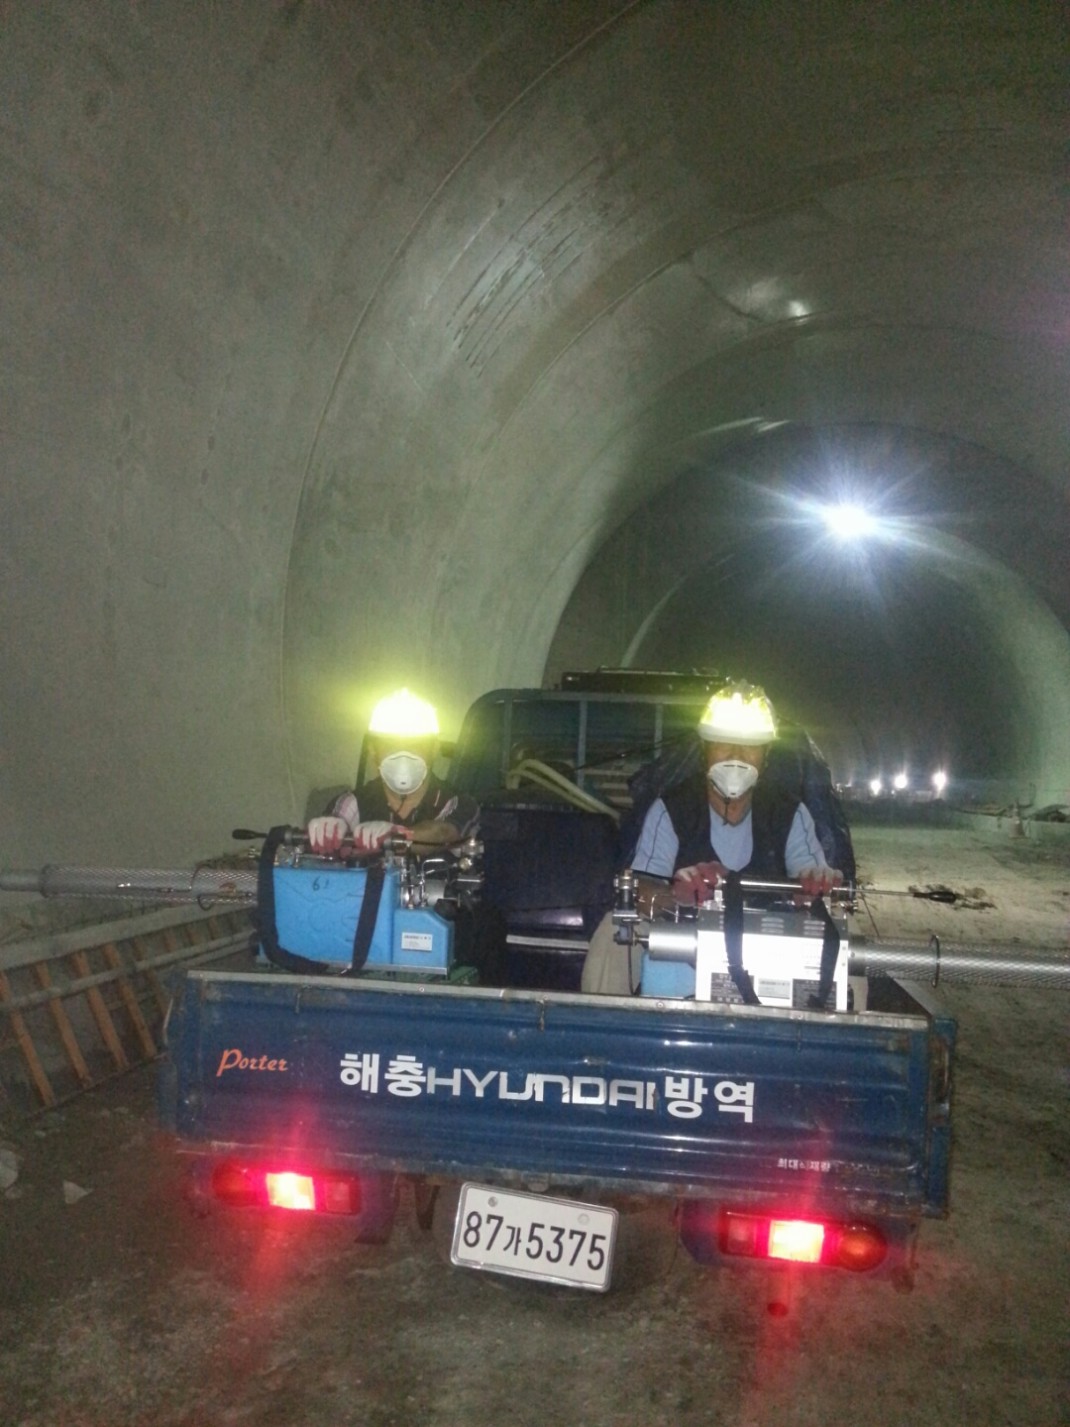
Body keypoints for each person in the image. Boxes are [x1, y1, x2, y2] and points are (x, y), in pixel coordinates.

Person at [581, 679, 843, 994]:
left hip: (769, 937)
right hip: (687, 938)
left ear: (766, 754)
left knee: (844, 935)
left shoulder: (790, 813)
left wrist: (813, 886)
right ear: (705, 749)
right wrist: (674, 895)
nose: (736, 756)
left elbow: (809, 874)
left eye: (749, 746)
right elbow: (642, 888)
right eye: (723, 743)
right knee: (613, 930)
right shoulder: (671, 809)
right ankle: (608, 1022)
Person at [307, 688, 479, 856]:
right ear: (373, 750)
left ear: (434, 749)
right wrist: (329, 830)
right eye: (391, 744)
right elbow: (337, 819)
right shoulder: (352, 802)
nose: (402, 753)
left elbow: (444, 833)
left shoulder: (458, 803)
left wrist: (397, 835)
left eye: (415, 744)